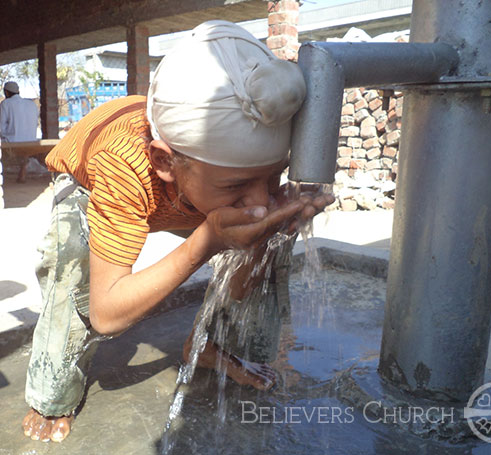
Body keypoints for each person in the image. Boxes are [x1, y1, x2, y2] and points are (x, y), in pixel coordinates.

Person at [21, 20, 334, 443]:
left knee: (273, 228)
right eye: (238, 186)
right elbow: (107, 313)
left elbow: (240, 288)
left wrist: (265, 235)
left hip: (192, 196)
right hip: (89, 184)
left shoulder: (229, 173)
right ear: (166, 162)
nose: (258, 199)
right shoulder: (123, 164)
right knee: (72, 272)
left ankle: (211, 346)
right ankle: (50, 395)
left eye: (271, 175)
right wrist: (207, 241)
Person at [0, 81, 39, 183]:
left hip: (12, 141)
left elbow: (1, 127)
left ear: (6, 92)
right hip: (31, 140)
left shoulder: (5, 104)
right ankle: (23, 171)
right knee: (23, 144)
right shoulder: (31, 104)